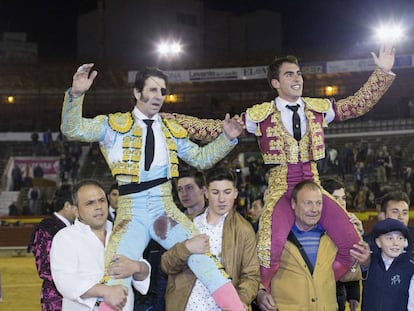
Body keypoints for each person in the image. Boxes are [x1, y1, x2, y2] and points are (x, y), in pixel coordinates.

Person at [172, 44, 396, 289]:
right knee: (268, 251)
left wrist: (382, 72)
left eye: (298, 73)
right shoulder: (260, 114)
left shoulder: (318, 108)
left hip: (313, 186)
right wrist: (176, 120)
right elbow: (216, 128)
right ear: (275, 83)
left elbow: (357, 105)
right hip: (281, 189)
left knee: (353, 245)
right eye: (289, 74)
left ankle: (315, 287)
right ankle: (264, 297)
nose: (297, 78)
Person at [60, 64, 246, 311]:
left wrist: (227, 138)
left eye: (163, 91)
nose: (159, 95)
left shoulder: (171, 129)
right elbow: (72, 129)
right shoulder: (114, 125)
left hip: (164, 212)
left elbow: (201, 158)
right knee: (117, 275)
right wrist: (76, 95)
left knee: (204, 259)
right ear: (137, 93)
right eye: (153, 89)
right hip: (131, 215)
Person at [256, 180, 368, 310]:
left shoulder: (333, 238)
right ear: (293, 204)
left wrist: (364, 265)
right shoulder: (272, 236)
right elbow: (254, 271)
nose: (314, 209)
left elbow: (348, 274)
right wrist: (260, 292)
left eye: (318, 203)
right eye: (308, 203)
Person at [161, 166, 260, 310]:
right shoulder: (188, 224)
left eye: (227, 192)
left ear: (235, 193)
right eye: (215, 192)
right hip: (185, 305)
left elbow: (251, 275)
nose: (221, 199)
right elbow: (166, 265)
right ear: (206, 193)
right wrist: (186, 247)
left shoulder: (244, 230)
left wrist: (240, 300)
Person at [50, 180, 151, 311]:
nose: (98, 206)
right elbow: (66, 282)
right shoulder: (65, 237)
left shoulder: (123, 234)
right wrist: (106, 291)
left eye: (101, 200)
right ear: (76, 210)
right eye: (90, 203)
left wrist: (138, 267)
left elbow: (143, 272)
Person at [28, 185, 78, 311]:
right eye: (77, 206)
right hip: (57, 298)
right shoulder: (47, 229)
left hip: (76, 295)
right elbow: (44, 268)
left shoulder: (73, 227)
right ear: (67, 206)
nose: (81, 211)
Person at [320, 178, 362, 311]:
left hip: (338, 295)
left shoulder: (349, 225)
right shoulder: (312, 224)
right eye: (335, 198)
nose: (341, 203)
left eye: (343, 198)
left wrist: (353, 293)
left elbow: (354, 264)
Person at [360, 218, 414, 311]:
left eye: (400, 238)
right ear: (378, 242)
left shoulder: (410, 267)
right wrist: (362, 265)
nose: (395, 243)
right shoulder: (369, 260)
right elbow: (352, 271)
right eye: (389, 238)